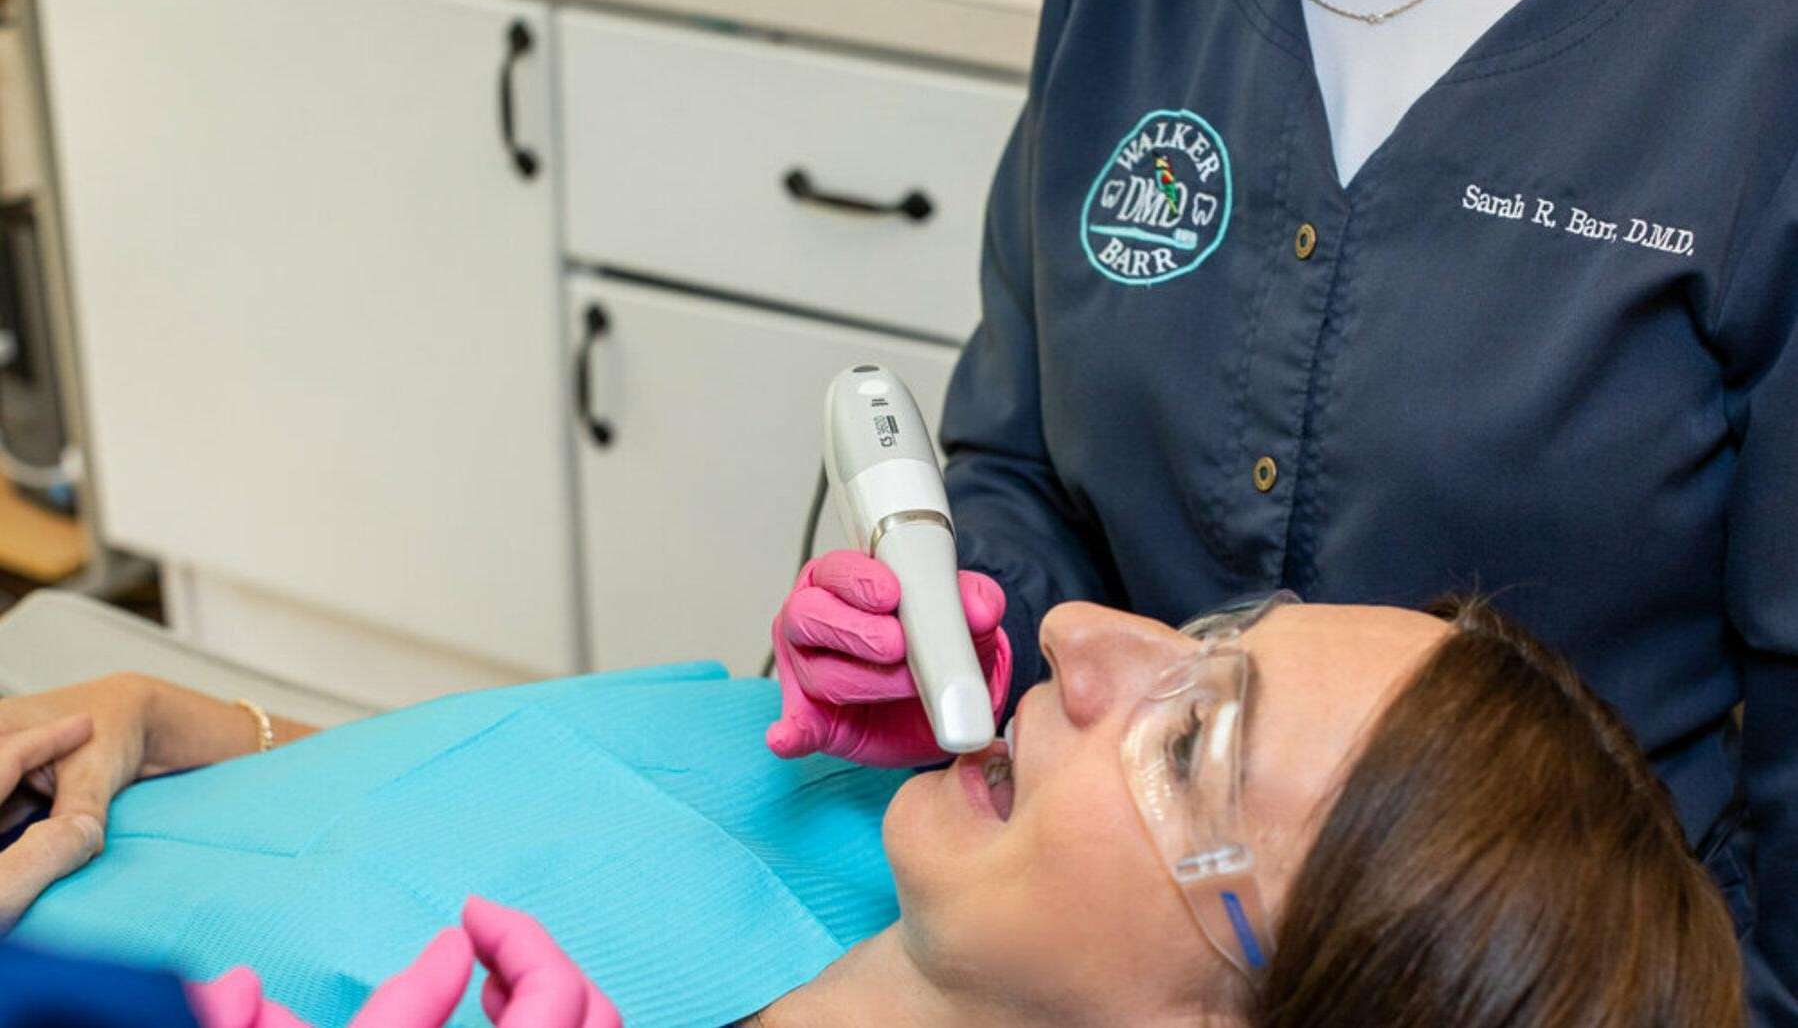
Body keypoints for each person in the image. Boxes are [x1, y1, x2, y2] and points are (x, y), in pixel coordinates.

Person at [767, 0, 1798, 1021]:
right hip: (1079, 935)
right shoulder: (1130, 7)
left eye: (1190, 739)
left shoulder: (1754, 66)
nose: (1086, 637)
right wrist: (968, 635)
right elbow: (1026, 460)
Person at [0, 595, 1744, 1025]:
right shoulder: (850, 817)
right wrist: (191, 724)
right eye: (1206, 633)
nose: (1073, 633)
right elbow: (479, 790)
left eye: (1191, 738)